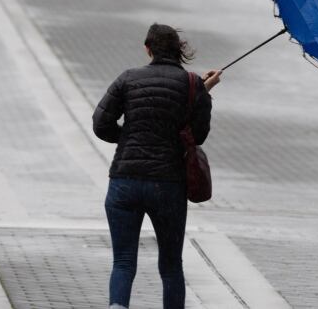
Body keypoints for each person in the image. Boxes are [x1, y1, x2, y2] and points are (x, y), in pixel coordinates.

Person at [92, 23, 222, 309]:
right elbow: (198, 136)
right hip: (168, 184)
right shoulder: (191, 84)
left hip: (124, 181)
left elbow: (100, 124)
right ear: (179, 52)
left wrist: (126, 138)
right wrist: (203, 92)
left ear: (147, 49)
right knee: (171, 264)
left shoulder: (127, 78)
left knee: (123, 260)